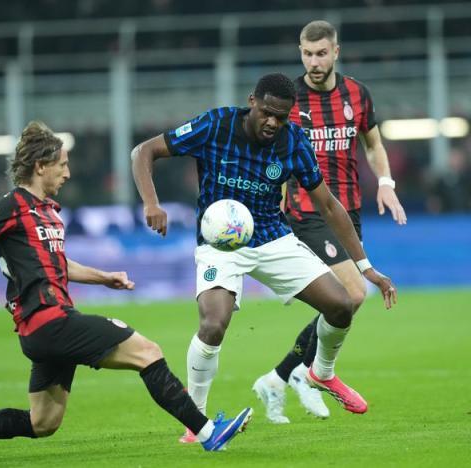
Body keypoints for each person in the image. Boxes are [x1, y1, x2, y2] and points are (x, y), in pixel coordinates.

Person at [0, 121, 253, 463]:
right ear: (40, 166)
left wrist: (103, 278)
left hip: (47, 326)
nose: (67, 173)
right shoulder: (10, 205)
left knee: (43, 422)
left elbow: (58, 264)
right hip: (47, 320)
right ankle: (208, 433)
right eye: (62, 165)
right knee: (147, 352)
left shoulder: (49, 211)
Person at [131, 72, 397, 443]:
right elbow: (143, 151)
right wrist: (151, 203)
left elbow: (328, 205)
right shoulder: (217, 125)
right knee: (213, 324)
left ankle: (321, 372)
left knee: (342, 305)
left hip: (272, 238)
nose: (272, 122)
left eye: (281, 117)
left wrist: (366, 268)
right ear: (252, 101)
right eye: (267, 113)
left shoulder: (293, 141)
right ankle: (195, 421)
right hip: (220, 245)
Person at [253, 20, 407, 424]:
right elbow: (266, 150)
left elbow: (373, 143)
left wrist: (385, 183)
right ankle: (315, 374)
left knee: (342, 302)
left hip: (347, 212)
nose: (314, 62)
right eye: (307, 54)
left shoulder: (357, 94)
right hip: (307, 211)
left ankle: (280, 377)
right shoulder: (289, 101)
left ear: (335, 52)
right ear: (300, 52)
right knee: (354, 293)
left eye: (321, 53)